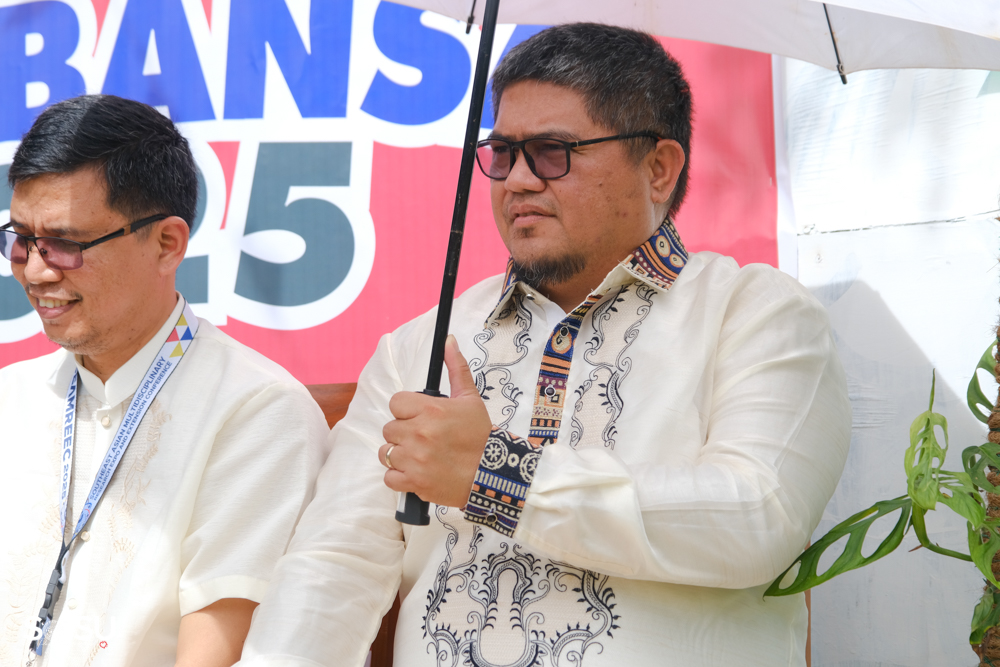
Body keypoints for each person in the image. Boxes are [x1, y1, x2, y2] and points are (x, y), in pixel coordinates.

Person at [238, 23, 851, 667]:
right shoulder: (420, 347)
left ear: (659, 168)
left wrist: (498, 476)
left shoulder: (755, 313)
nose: (518, 181)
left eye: (553, 152)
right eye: (503, 153)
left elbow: (757, 518)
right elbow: (335, 563)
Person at [0, 95, 329, 666]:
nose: (35, 269)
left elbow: (215, 652)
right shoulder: (13, 396)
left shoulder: (257, 411)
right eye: (21, 238)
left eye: (67, 244)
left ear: (167, 243)